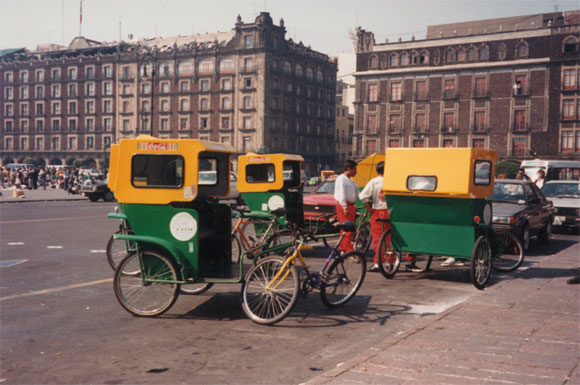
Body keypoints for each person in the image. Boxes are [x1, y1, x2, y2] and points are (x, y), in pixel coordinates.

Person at [359, 161, 389, 272]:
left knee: (377, 238)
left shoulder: (374, 182)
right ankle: (390, 260)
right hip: (391, 212)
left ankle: (378, 262)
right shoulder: (393, 180)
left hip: (378, 211)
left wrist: (368, 208)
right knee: (390, 239)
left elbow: (362, 196)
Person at [333, 160, 359, 253]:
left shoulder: (351, 181)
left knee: (349, 229)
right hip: (345, 206)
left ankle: (343, 248)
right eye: (354, 169)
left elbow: (357, 194)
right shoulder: (341, 179)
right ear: (349, 169)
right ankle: (347, 249)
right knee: (346, 228)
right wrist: (344, 207)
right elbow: (341, 194)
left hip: (351, 206)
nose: (356, 171)